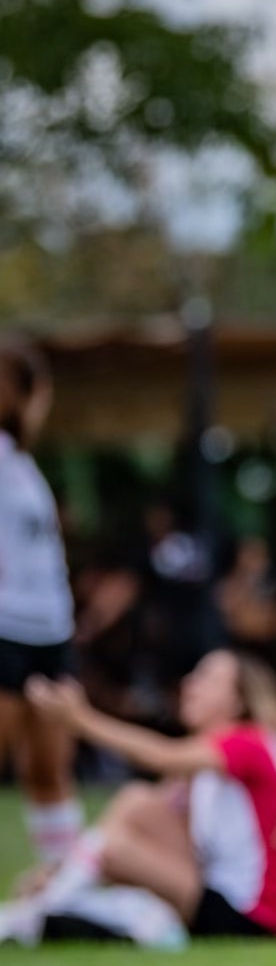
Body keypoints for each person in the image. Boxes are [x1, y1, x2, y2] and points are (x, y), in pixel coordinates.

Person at [4, 650, 276, 944]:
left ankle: (43, 908)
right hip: (217, 890)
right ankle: (69, 901)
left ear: (238, 701)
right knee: (136, 802)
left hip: (251, 913)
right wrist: (67, 866)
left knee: (114, 847)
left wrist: (82, 720)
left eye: (209, 679)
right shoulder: (211, 760)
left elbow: (161, 755)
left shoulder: (250, 742)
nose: (191, 684)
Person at [0, 342, 84, 868]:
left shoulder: (25, 466)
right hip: (6, 626)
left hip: (50, 630)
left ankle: (63, 883)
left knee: (50, 768)